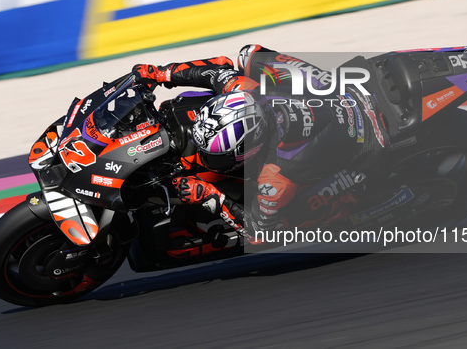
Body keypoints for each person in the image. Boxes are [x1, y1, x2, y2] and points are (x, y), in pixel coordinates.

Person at [132, 45, 389, 243]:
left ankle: (356, 202)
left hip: (368, 146)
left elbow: (258, 233)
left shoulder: (275, 176)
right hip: (343, 95)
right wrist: (160, 73)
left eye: (217, 156)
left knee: (294, 215)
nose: (205, 157)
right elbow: (219, 68)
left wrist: (211, 195)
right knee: (249, 54)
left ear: (248, 149)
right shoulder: (244, 90)